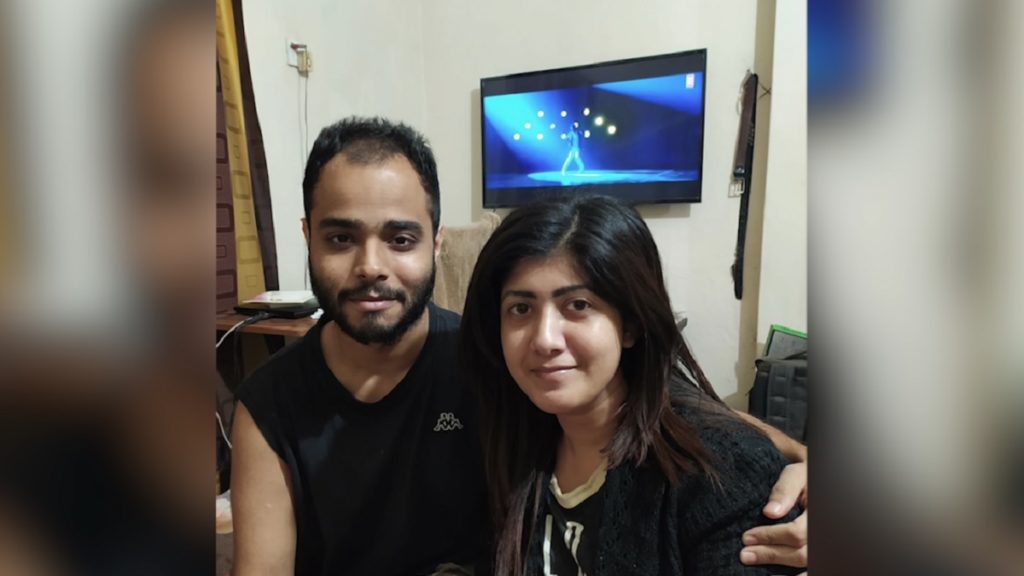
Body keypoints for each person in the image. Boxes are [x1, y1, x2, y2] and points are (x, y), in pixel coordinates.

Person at [231, 117, 807, 575]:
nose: (371, 267)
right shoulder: (271, 400)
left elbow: (684, 419)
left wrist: (808, 467)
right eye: (340, 238)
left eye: (400, 239)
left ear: (436, 243)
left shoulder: (488, 360)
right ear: (307, 237)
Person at [459, 195, 804, 575]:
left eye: (578, 305)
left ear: (631, 325)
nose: (545, 339)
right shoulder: (511, 440)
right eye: (521, 309)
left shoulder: (719, 474)